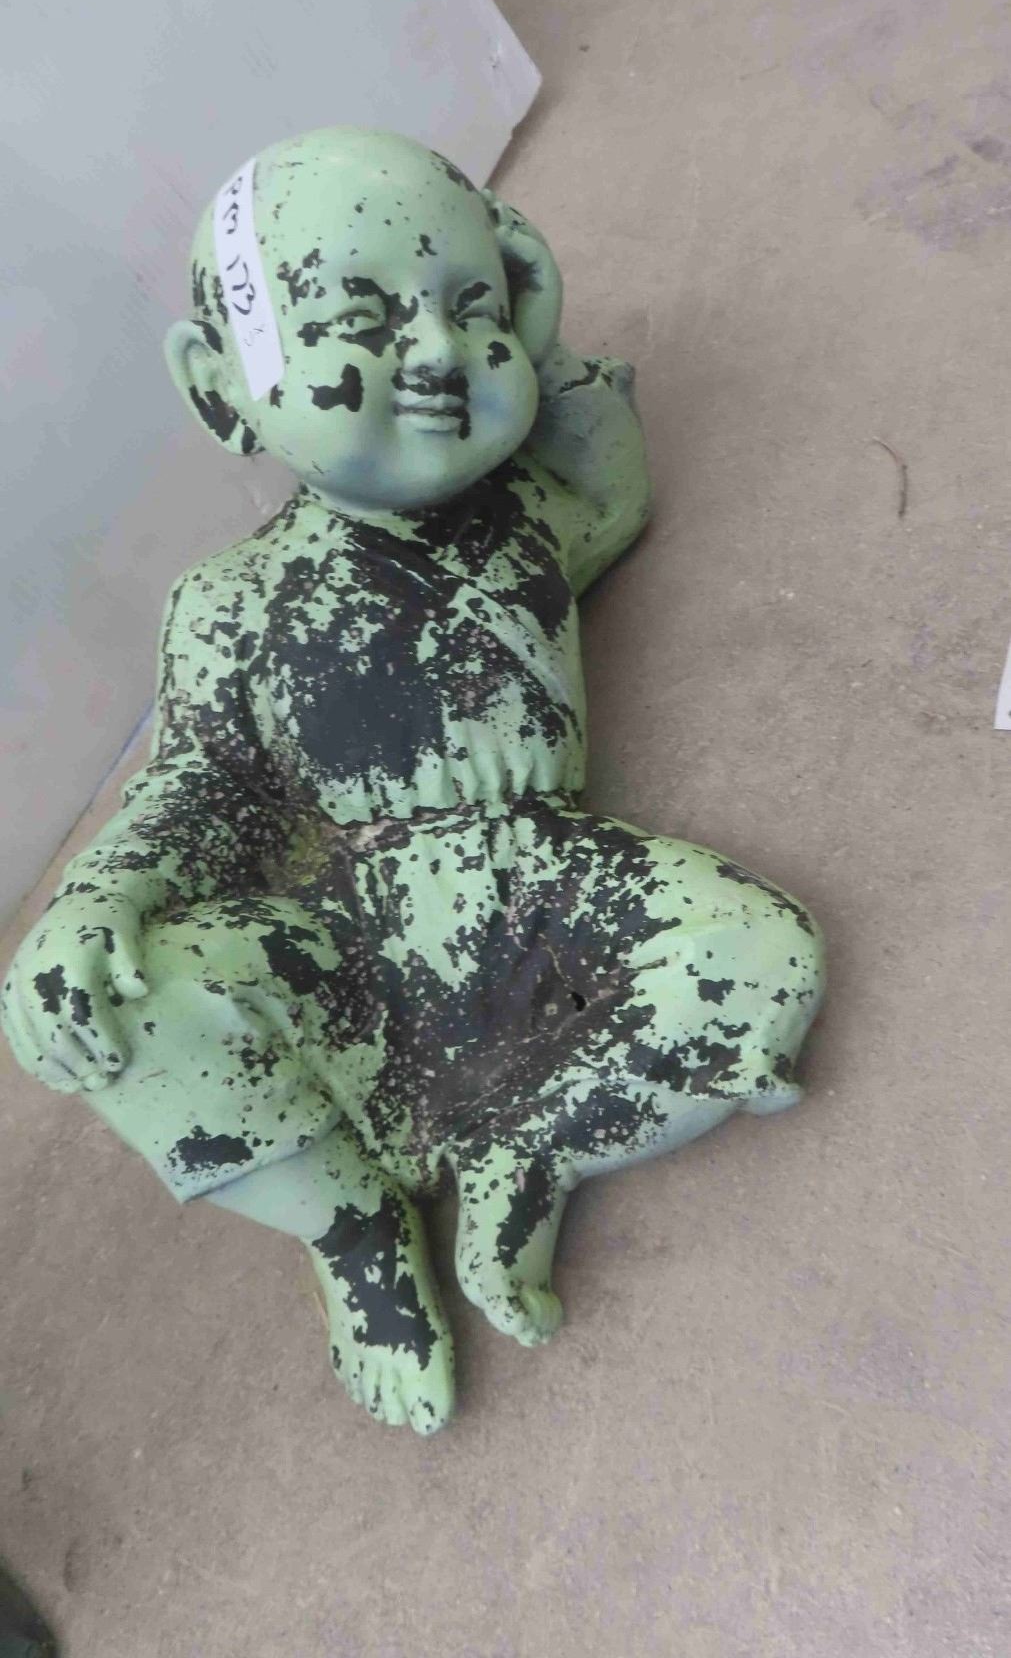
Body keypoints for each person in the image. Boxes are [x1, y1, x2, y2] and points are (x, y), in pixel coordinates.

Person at [2, 129, 825, 1434]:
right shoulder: (226, 601)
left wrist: (543, 338)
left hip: (551, 882)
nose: (440, 354)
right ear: (221, 389)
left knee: (763, 960)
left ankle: (531, 1143)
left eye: (475, 310)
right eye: (362, 321)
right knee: (114, 1004)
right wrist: (98, 901)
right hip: (350, 934)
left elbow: (615, 486)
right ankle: (354, 1232)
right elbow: (202, 788)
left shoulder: (523, 512)